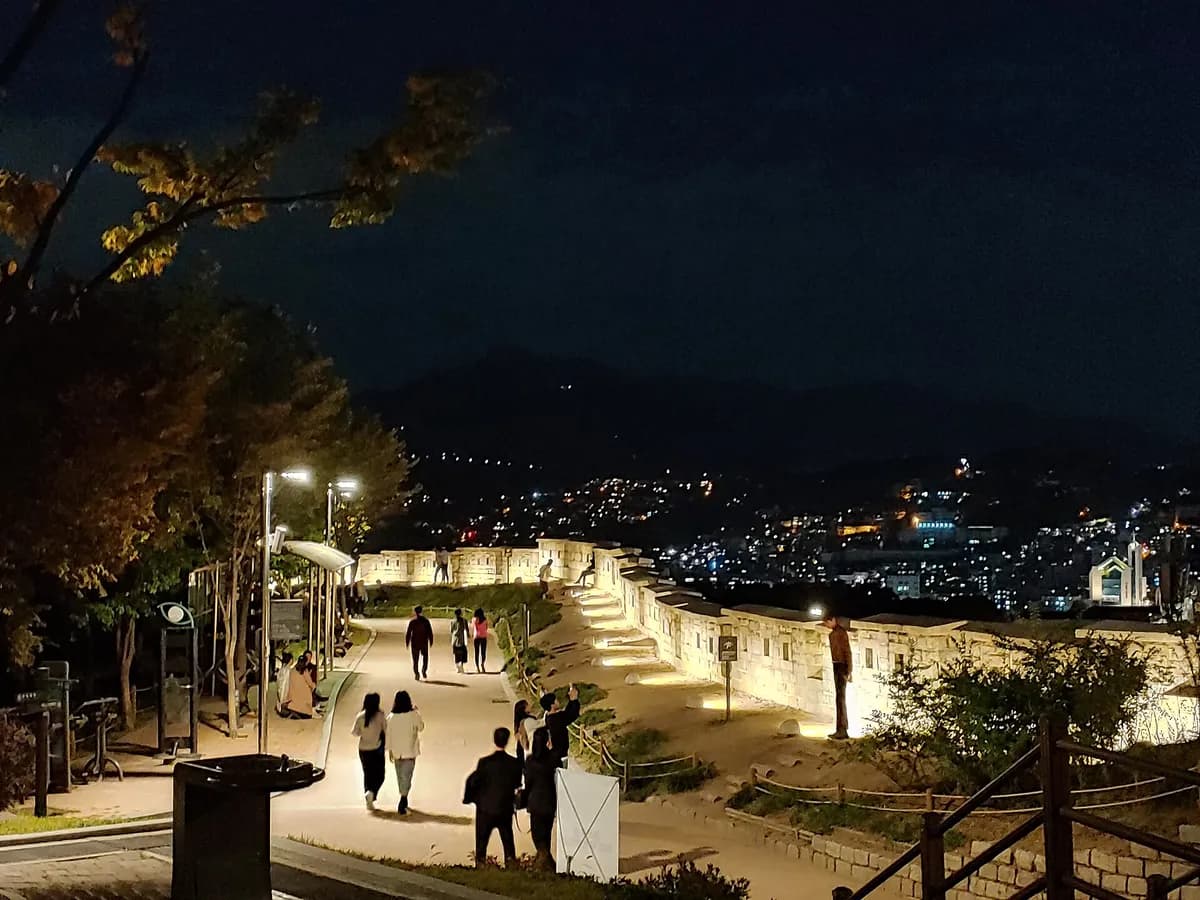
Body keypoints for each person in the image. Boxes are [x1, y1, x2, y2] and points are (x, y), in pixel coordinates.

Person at [464, 727, 523, 868]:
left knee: (481, 843)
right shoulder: (514, 763)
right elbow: (517, 784)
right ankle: (511, 865)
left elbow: (474, 781)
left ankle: (480, 866)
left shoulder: (484, 762)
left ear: (494, 740)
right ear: (507, 741)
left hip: (485, 808)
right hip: (505, 808)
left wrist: (472, 799)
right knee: (508, 841)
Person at [523, 726, 558, 870]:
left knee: (537, 837)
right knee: (546, 835)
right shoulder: (553, 759)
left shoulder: (530, 761)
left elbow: (528, 784)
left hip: (535, 803)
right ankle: (545, 863)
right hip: (549, 802)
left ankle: (543, 863)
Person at [386, 690, 423, 814]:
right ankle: (403, 798)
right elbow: (421, 727)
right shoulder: (413, 715)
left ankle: (403, 796)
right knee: (407, 776)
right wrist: (417, 712)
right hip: (410, 750)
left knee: (400, 776)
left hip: (397, 751)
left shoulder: (391, 717)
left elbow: (388, 735)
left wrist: (389, 750)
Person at [352, 692, 386, 810]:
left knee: (367, 773)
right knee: (380, 774)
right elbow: (386, 729)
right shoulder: (380, 716)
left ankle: (368, 794)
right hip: (376, 748)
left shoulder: (360, 716)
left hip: (363, 749)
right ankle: (372, 792)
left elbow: (355, 733)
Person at [823, 614, 852, 740]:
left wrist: (849, 671)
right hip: (837, 665)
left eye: (827, 623)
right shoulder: (834, 633)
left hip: (841, 666)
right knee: (839, 698)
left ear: (833, 620)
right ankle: (840, 728)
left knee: (840, 698)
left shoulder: (840, 633)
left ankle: (842, 729)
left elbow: (847, 652)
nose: (826, 626)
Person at [540, 684, 580, 769]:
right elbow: (571, 715)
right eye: (556, 700)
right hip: (560, 756)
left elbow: (567, 713)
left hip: (555, 754)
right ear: (552, 705)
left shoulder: (549, 716)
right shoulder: (556, 719)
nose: (558, 701)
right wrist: (574, 699)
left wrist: (572, 700)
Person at [406, 605, 434, 681]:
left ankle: (416, 673)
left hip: (415, 643)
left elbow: (409, 633)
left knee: (415, 659)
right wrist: (431, 640)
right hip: (424, 642)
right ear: (421, 611)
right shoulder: (426, 621)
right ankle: (424, 670)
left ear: (415, 612)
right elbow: (430, 632)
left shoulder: (412, 621)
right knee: (425, 657)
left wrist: (407, 642)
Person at [513, 699, 535, 769]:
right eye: (527, 705)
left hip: (521, 749)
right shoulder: (530, 720)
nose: (530, 705)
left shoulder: (517, 723)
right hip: (529, 748)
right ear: (524, 709)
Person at [451, 608, 470, 674]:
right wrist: (468, 635)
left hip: (455, 639)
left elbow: (451, 630)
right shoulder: (464, 621)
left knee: (456, 653)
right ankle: (461, 665)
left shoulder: (453, 621)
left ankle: (458, 666)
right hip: (462, 639)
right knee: (462, 653)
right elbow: (467, 629)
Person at [275, 651, 294, 716]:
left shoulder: (281, 670)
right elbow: (286, 685)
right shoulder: (288, 670)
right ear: (290, 660)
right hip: (285, 696)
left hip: (280, 693)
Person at [471, 608, 489, 673]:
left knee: (476, 652)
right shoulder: (485, 619)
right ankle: (482, 664)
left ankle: (477, 667)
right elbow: (486, 627)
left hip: (476, 637)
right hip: (483, 637)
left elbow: (472, 627)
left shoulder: (474, 619)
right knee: (483, 652)